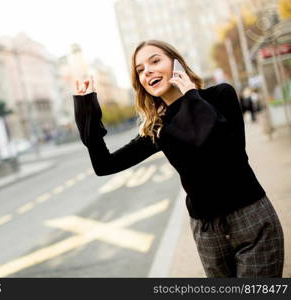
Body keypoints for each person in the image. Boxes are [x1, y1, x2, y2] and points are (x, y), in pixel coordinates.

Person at [72, 39, 284, 278]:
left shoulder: (220, 95)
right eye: (140, 70)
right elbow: (104, 165)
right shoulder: (158, 129)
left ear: (177, 64)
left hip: (251, 219)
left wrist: (191, 96)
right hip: (207, 233)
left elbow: (229, 152)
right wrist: (86, 111)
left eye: (155, 61)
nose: (147, 71)